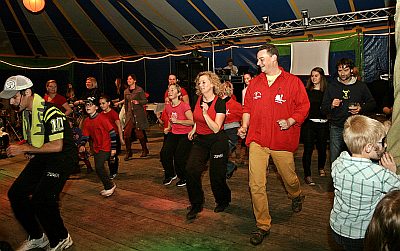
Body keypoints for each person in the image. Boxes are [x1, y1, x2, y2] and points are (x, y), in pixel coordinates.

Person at [237, 43, 309, 246]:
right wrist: (244, 126)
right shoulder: (255, 83)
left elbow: (304, 106)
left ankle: (296, 194)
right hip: (258, 140)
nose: (258, 63)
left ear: (274, 58)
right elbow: (247, 107)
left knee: (289, 178)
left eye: (261, 59)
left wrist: (291, 121)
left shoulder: (293, 82)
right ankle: (262, 225)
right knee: (256, 184)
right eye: (258, 60)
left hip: (281, 141)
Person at [0, 75, 77, 250]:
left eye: (14, 97)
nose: (12, 102)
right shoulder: (27, 113)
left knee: (42, 199)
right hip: (45, 156)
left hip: (62, 157)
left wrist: (24, 149)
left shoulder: (52, 111)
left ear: (27, 92)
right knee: (16, 193)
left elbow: (57, 146)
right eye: (10, 98)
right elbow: (37, 141)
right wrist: (30, 150)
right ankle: (37, 236)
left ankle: (61, 238)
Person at [330, 115, 400, 251]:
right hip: (360, 235)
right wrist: (392, 172)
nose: (385, 145)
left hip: (337, 228)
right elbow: (396, 190)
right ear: (368, 148)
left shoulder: (338, 163)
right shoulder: (380, 175)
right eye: (381, 142)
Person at [185, 71, 231, 221]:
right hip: (202, 140)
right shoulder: (197, 99)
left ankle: (223, 200)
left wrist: (206, 114)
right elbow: (197, 119)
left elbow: (216, 128)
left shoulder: (220, 103)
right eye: (199, 82)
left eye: (204, 82)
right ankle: (196, 204)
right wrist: (194, 129)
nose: (201, 85)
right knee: (191, 169)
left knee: (216, 175)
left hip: (217, 140)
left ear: (212, 84)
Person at [321, 58, 376, 163]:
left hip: (356, 128)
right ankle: (336, 178)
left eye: (345, 70)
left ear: (351, 70)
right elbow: (323, 108)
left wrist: (361, 108)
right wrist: (331, 105)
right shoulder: (332, 86)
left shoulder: (360, 86)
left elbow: (372, 103)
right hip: (336, 127)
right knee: (335, 159)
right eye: (340, 70)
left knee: (356, 158)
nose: (342, 73)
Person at [80, 96, 117, 197]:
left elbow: (112, 133)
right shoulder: (87, 121)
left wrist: (113, 148)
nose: (88, 107)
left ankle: (110, 186)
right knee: (99, 168)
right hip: (96, 147)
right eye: (86, 105)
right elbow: (85, 135)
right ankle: (108, 185)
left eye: (90, 105)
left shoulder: (102, 118)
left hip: (106, 146)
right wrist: (82, 144)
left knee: (99, 167)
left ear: (96, 107)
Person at [161, 83, 194, 186]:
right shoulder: (168, 107)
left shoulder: (184, 106)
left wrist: (178, 121)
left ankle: (184, 177)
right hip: (174, 133)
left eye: (172, 90)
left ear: (179, 93)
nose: (169, 92)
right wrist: (168, 128)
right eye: (169, 90)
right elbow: (171, 120)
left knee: (179, 157)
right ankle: (170, 174)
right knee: (164, 153)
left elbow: (192, 122)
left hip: (185, 134)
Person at [301, 67, 329, 185]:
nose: (313, 78)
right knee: (308, 150)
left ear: (321, 77)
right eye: (312, 76)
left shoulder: (327, 92)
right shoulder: (307, 91)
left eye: (316, 76)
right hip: (310, 124)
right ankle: (307, 175)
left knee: (322, 149)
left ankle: (321, 167)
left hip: (323, 124)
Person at [123, 74, 149, 160]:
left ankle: (145, 149)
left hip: (138, 115)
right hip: (130, 115)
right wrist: (127, 114)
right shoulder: (126, 91)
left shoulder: (139, 90)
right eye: (128, 79)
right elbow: (126, 105)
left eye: (130, 79)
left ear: (135, 80)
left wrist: (138, 102)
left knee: (140, 134)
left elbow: (145, 101)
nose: (128, 80)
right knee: (126, 134)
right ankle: (128, 151)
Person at [220, 81, 242, 179]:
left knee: (222, 153)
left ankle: (229, 168)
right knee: (220, 154)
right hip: (221, 131)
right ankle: (229, 167)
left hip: (232, 133)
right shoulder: (218, 103)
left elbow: (243, 117)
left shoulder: (235, 105)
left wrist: (242, 128)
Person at [99, 95, 125, 179]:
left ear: (109, 103)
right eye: (100, 104)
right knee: (106, 155)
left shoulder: (113, 113)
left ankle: (113, 171)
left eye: (103, 103)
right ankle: (111, 170)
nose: (102, 105)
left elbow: (119, 126)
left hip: (114, 137)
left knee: (112, 155)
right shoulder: (101, 114)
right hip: (105, 138)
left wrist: (121, 138)